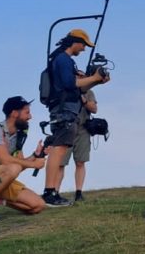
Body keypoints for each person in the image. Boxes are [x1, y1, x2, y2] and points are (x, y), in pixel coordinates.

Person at [42, 29, 109, 207]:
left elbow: (78, 89)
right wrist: (93, 77)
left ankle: (51, 192)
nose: (85, 49)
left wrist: (96, 81)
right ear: (76, 42)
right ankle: (50, 192)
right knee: (58, 150)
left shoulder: (63, 60)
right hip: (64, 110)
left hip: (67, 110)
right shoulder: (63, 60)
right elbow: (70, 84)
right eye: (84, 45)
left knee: (60, 150)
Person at [0, 96, 48, 225]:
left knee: (38, 205)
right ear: (14, 113)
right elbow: (5, 160)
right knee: (12, 166)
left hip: (0, 181)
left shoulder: (18, 136)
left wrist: (35, 155)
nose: (30, 117)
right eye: (27, 112)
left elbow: (20, 166)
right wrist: (34, 164)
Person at [56, 82, 96, 202]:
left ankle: (79, 192)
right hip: (66, 129)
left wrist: (83, 100)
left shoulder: (89, 92)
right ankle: (54, 191)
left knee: (80, 162)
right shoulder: (65, 90)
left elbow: (94, 109)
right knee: (60, 163)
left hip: (83, 129)